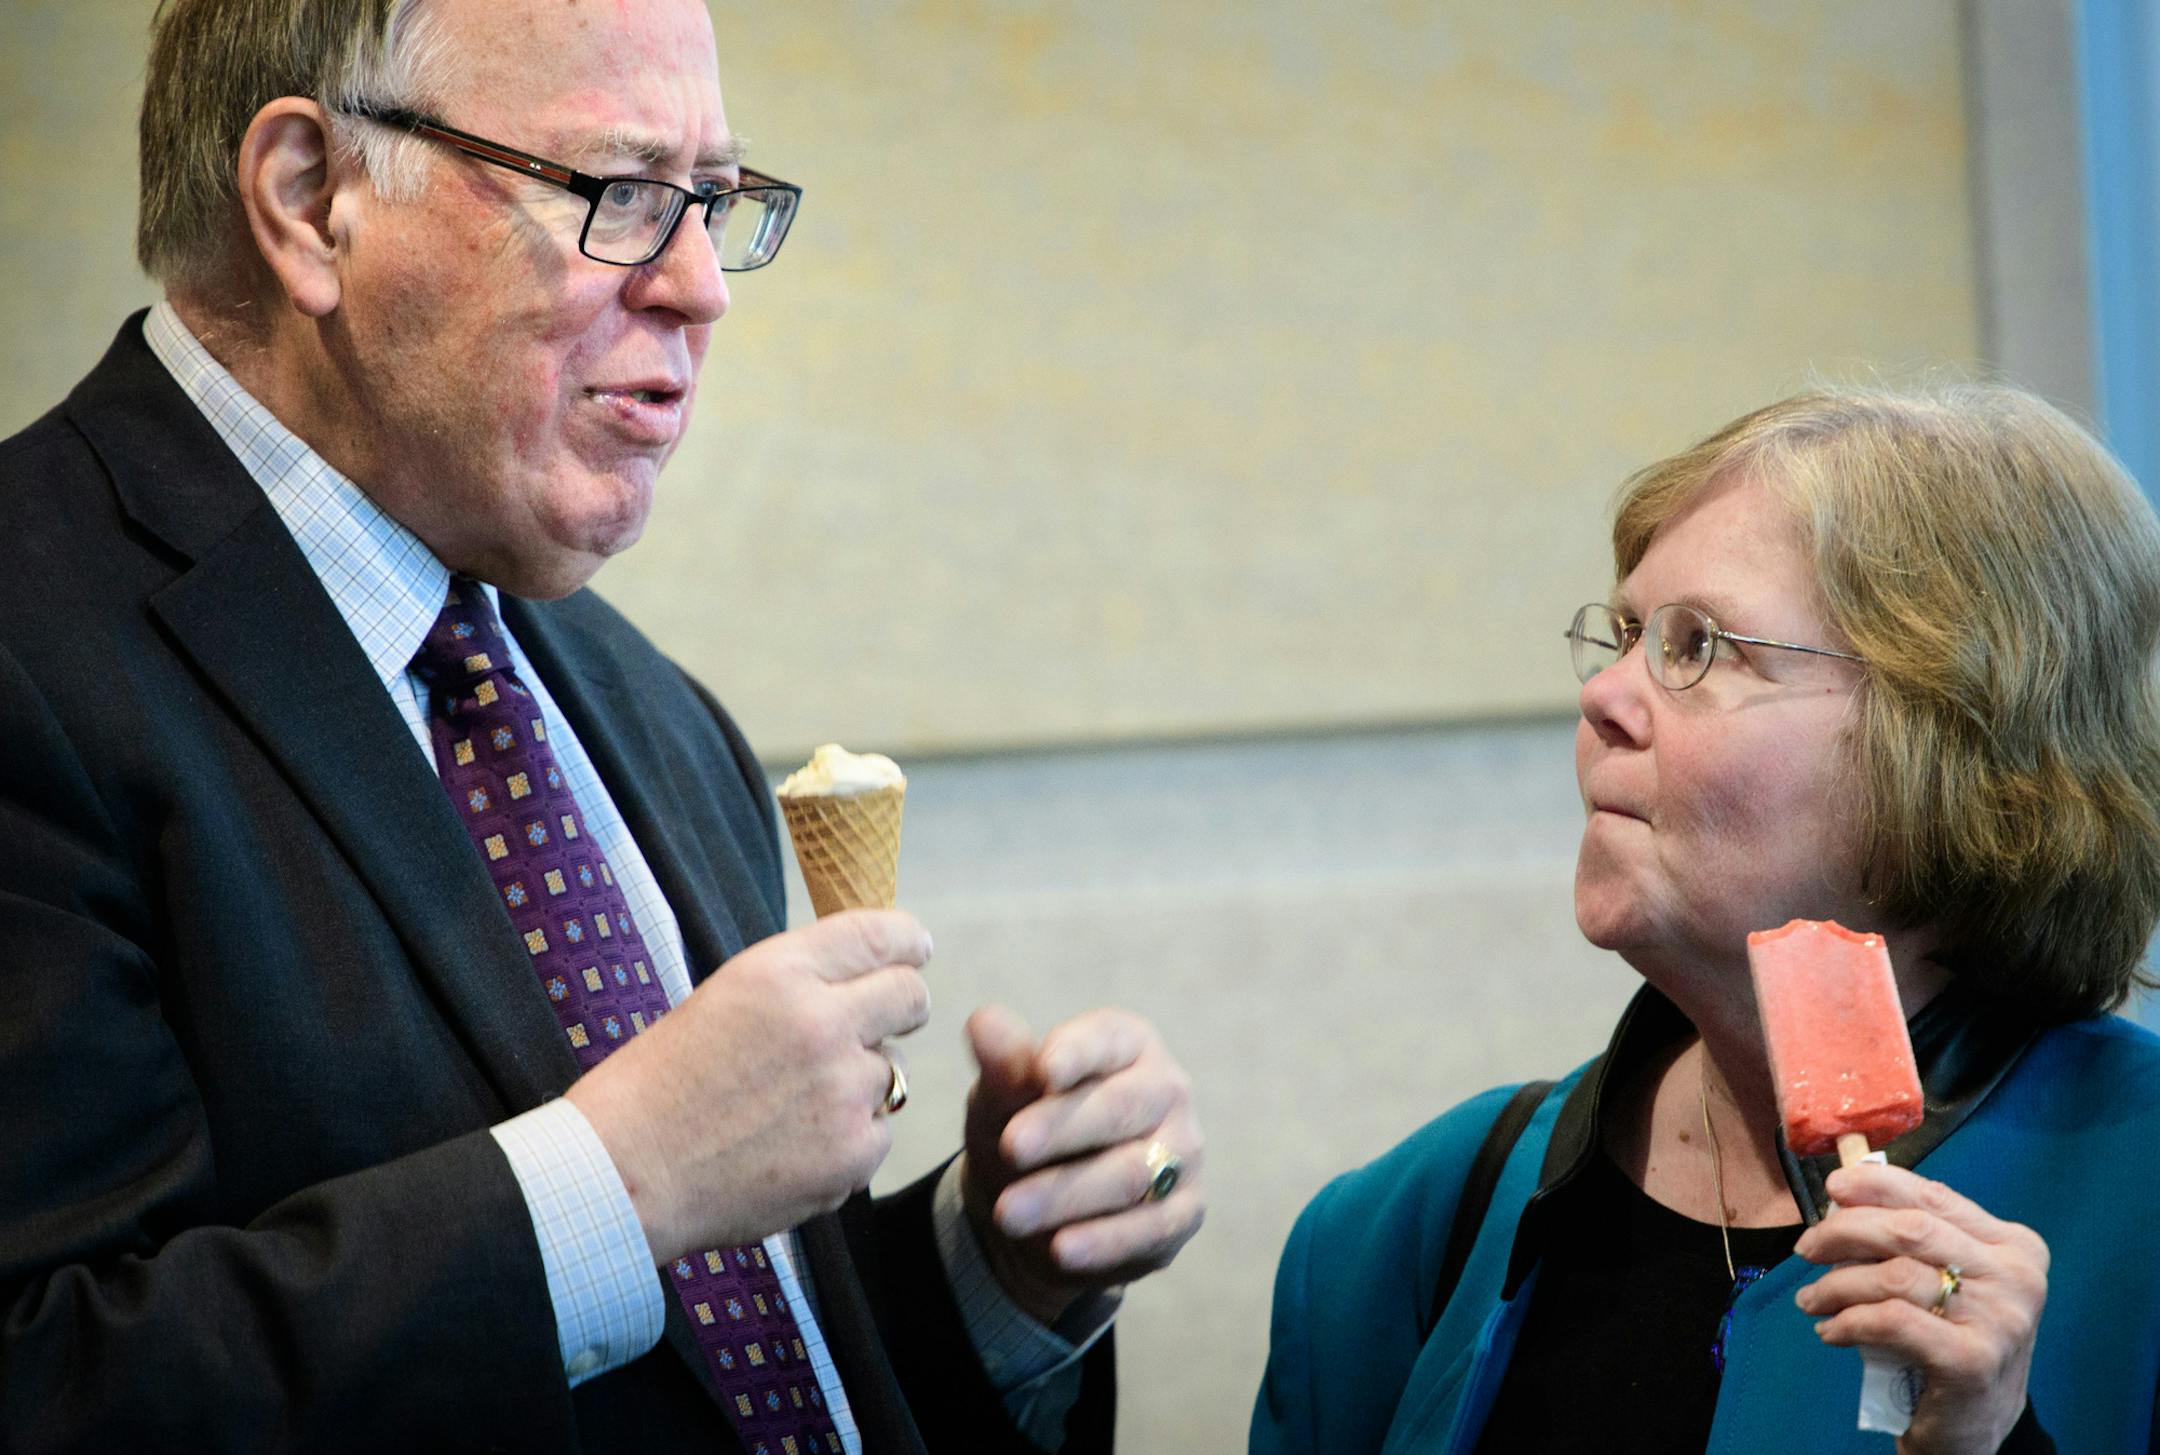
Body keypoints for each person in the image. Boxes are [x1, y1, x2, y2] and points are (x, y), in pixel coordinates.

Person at [0, 0, 1205, 1450]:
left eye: (714, 201)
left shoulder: (650, 708)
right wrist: (621, 1178)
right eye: (624, 197)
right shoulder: (29, 644)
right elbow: (53, 1383)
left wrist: (991, 1269)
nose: (704, 288)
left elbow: (704, 1368)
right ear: (313, 201)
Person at [1252, 384, 2160, 1453]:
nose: (1605, 698)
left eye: (1698, 647)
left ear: (1950, 741)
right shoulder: (1397, 1234)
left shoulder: (2137, 1197)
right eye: (1627, 632)